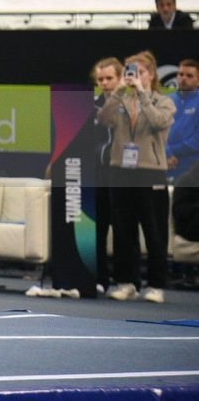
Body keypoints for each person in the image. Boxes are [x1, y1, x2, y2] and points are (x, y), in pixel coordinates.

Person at [99, 54, 176, 302]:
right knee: (123, 229)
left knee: (154, 231)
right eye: (131, 71)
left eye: (140, 72)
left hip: (150, 170)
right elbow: (103, 119)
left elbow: (158, 122)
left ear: (151, 75)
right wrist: (119, 90)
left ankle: (156, 284)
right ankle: (126, 281)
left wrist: (142, 93)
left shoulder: (164, 102)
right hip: (121, 169)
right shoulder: (120, 99)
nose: (135, 76)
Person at [90, 56, 124, 293]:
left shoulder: (132, 102)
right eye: (100, 79)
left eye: (109, 78)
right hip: (98, 174)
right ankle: (100, 278)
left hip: (123, 174)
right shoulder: (91, 106)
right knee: (98, 228)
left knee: (123, 229)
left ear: (120, 78)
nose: (104, 83)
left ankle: (126, 280)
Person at [167, 59, 199, 180]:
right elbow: (156, 131)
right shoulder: (167, 100)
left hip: (192, 167)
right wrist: (166, 152)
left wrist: (172, 151)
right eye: (180, 74)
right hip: (166, 163)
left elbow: (197, 140)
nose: (183, 78)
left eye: (189, 75)